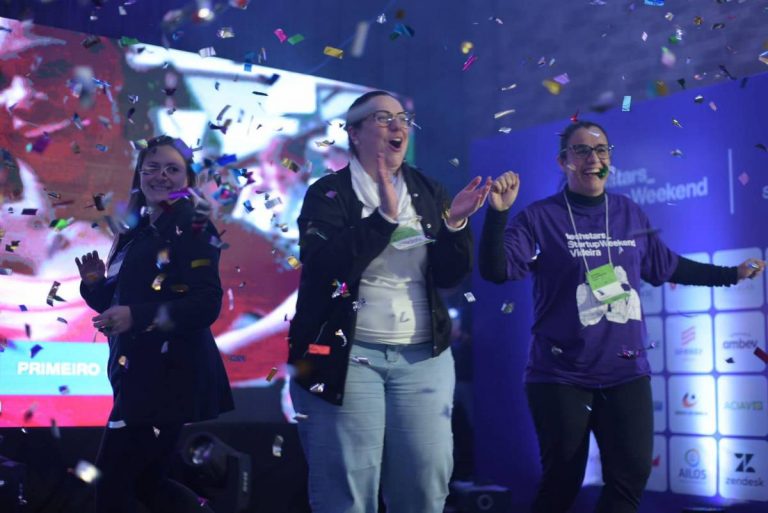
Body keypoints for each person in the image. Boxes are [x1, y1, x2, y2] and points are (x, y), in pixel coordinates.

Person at [478, 120, 766, 513]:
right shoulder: (539, 218)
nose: (593, 159)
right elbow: (496, 270)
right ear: (563, 161)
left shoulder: (628, 212)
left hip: (625, 372)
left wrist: (731, 274)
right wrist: (497, 215)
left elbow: (667, 265)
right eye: (582, 150)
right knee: (562, 483)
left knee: (629, 480)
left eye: (602, 150)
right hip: (561, 375)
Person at [288, 90, 491, 513]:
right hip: (345, 359)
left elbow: (449, 277)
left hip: (423, 358)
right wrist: (382, 218)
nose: (398, 126)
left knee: (424, 486)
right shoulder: (327, 193)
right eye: (382, 118)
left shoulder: (428, 190)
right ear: (354, 132)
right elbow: (325, 267)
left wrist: (455, 224)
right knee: (347, 492)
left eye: (403, 119)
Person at [75, 135, 234, 513]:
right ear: (139, 175)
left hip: (168, 377)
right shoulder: (137, 228)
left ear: (187, 179)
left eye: (172, 169)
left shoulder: (194, 225)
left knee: (112, 487)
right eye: (152, 168)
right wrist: (95, 286)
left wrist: (137, 315)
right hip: (136, 376)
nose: (161, 176)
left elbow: (205, 303)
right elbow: (120, 304)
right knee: (148, 486)